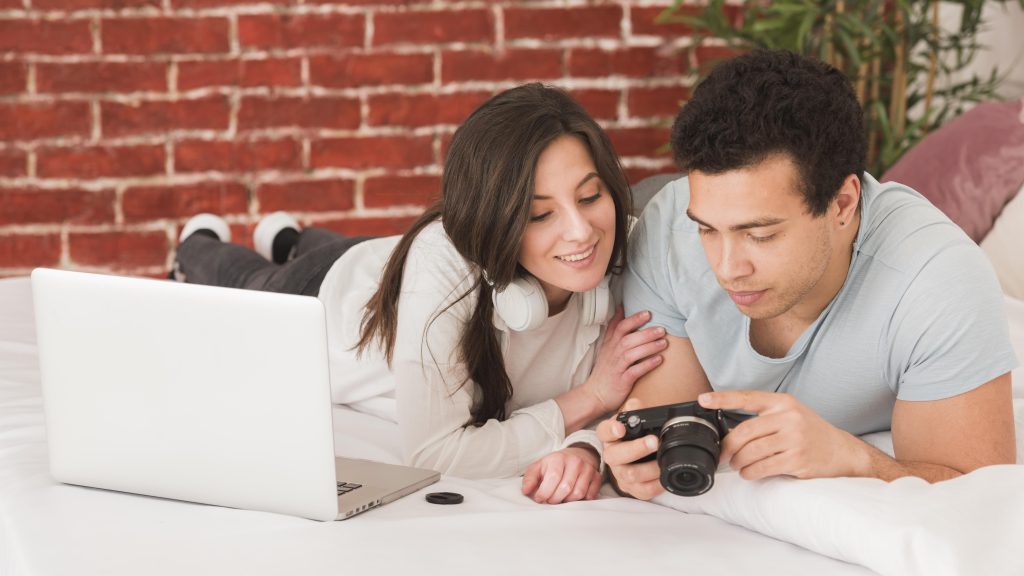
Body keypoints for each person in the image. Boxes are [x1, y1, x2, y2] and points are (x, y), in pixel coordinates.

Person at [171, 83, 668, 504]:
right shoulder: (446, 272)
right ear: (493, 224)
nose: (582, 233)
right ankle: (197, 244)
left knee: (330, 246)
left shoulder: (628, 247)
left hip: (388, 258)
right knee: (254, 283)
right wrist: (591, 396)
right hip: (336, 289)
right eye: (540, 215)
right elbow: (436, 453)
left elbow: (640, 403)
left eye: (589, 196)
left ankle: (287, 236)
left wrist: (586, 447)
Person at [598, 50, 1018, 500]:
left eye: (760, 235)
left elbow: (980, 496)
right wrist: (634, 465)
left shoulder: (937, 281)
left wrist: (853, 457)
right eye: (707, 229)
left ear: (842, 205)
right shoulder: (668, 230)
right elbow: (669, 423)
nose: (726, 268)